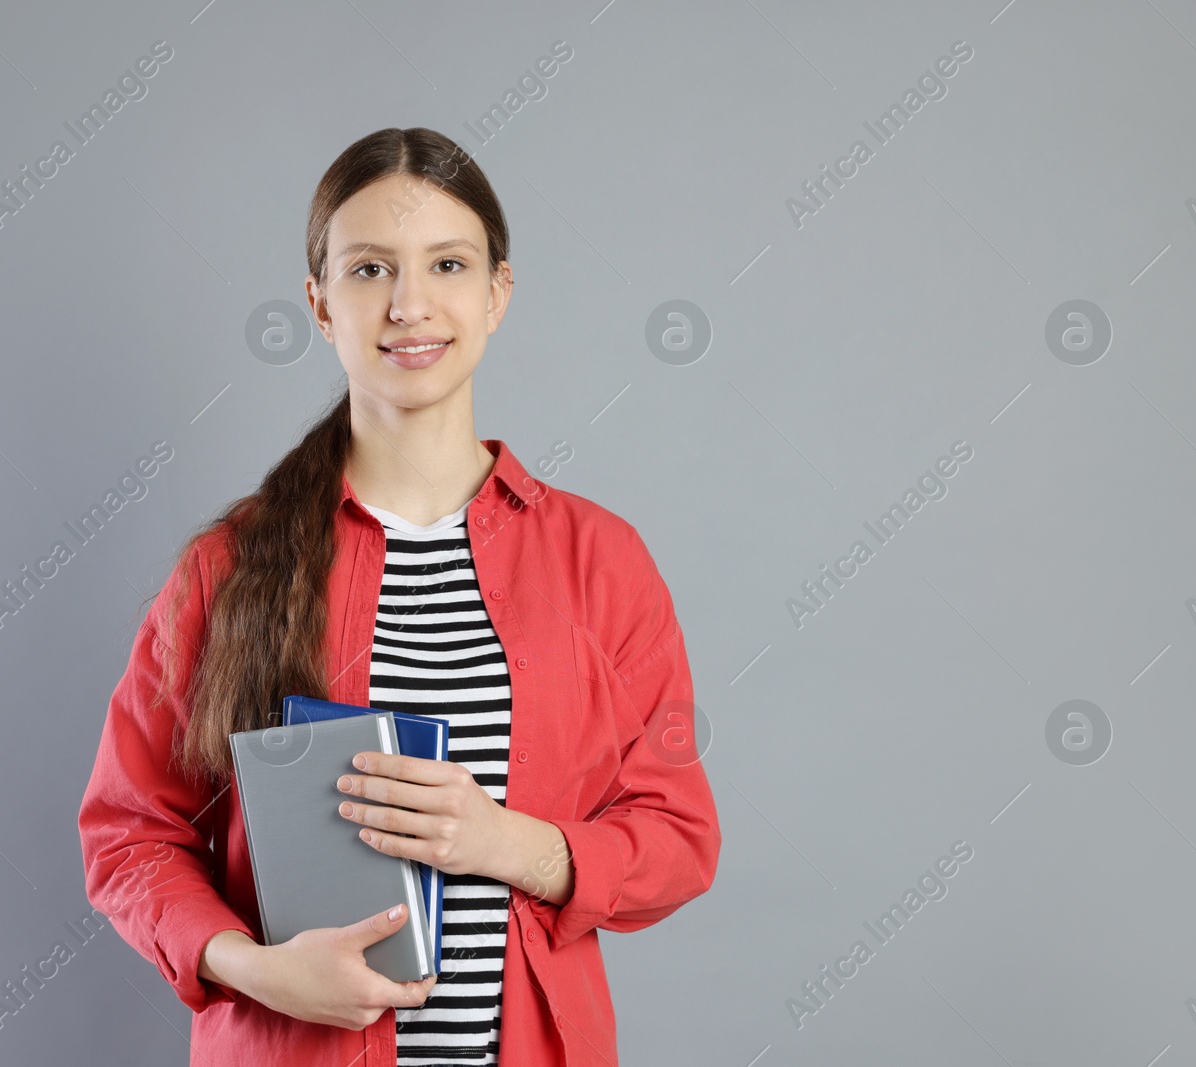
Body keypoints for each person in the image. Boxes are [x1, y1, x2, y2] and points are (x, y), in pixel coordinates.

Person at [77, 126, 721, 1066]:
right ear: (320, 303)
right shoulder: (229, 566)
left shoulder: (601, 560)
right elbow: (128, 833)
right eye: (370, 269)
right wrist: (255, 967)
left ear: (498, 292)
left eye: (448, 265)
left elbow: (676, 835)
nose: (410, 304)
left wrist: (508, 843)